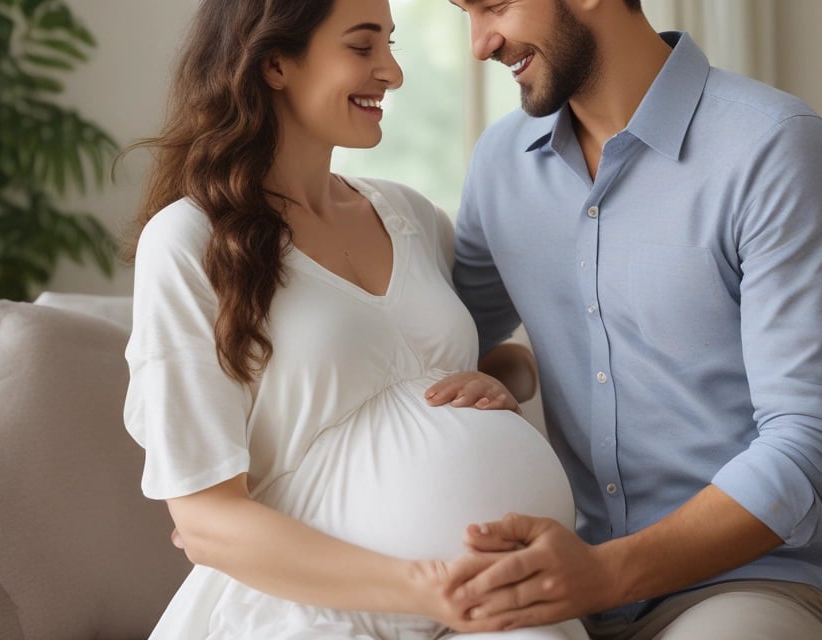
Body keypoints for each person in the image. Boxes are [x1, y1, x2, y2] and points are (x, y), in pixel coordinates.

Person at [122, 0, 590, 638]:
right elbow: (206, 521)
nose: (393, 73)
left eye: (391, 46)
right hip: (314, 615)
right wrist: (426, 587)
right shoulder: (188, 242)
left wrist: (507, 376)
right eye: (363, 47)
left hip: (490, 608)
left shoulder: (412, 215)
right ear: (277, 63)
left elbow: (460, 366)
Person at [432, 1, 822, 638]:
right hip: (571, 588)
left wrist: (603, 572)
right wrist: (511, 372)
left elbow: (811, 444)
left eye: (495, 4)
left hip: (757, 580)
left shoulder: (774, 148)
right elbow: (444, 338)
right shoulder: (500, 163)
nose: (479, 44)